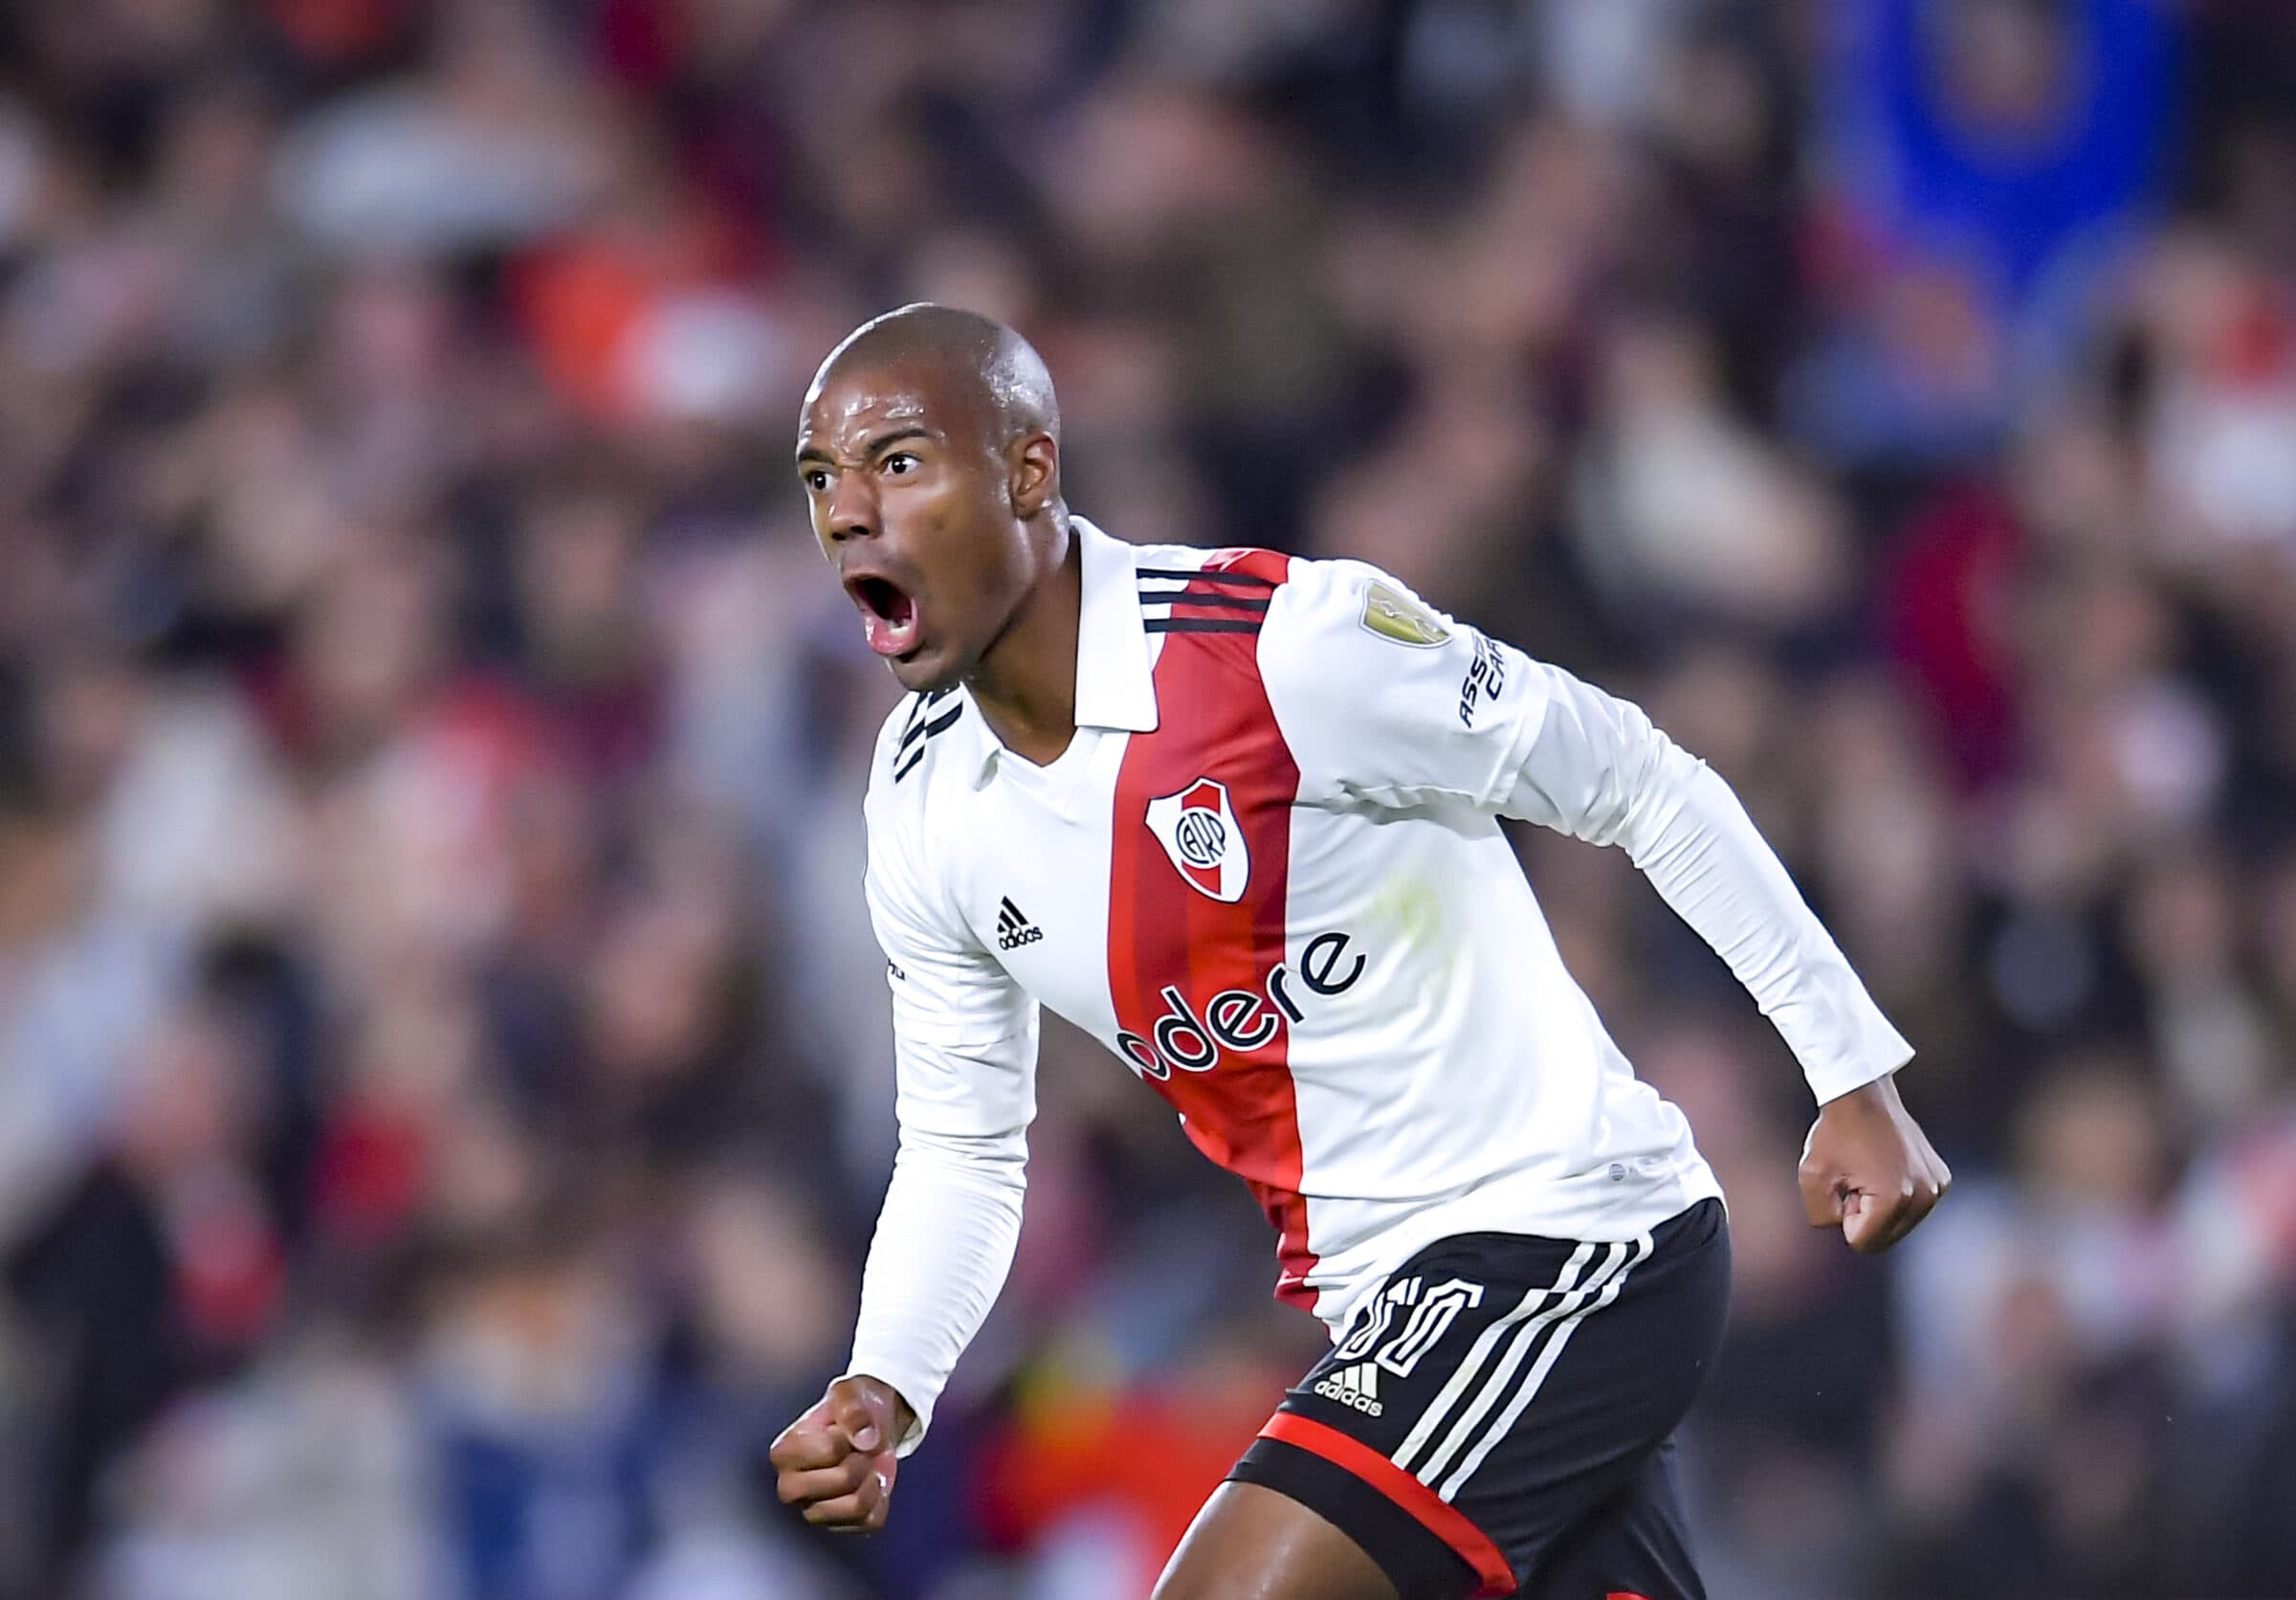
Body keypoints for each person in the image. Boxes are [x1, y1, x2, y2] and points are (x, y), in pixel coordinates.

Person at [768, 304, 1949, 1600]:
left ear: (1029, 471)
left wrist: (1849, 1071)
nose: (848, 513)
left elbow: (1636, 778)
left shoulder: (1279, 647)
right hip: (1385, 1309)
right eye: (824, 477)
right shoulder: (923, 805)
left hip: (1568, 1244)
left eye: (897, 462)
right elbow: (965, 1145)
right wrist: (888, 1376)